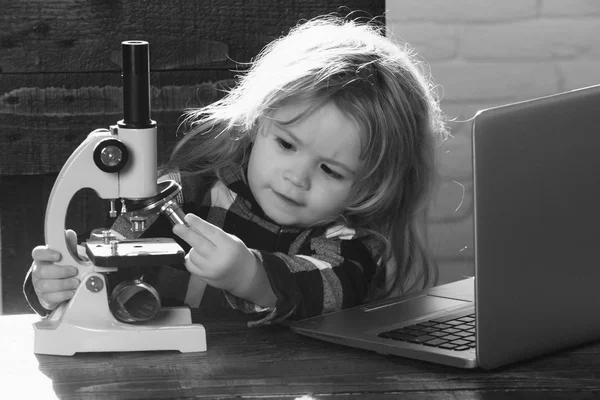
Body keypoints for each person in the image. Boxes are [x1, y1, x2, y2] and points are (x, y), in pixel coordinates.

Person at [24, 14, 448, 326]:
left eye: (331, 171)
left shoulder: (347, 244)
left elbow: (333, 288)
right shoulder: (188, 196)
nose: (296, 178)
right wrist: (60, 283)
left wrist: (252, 276)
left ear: (371, 185)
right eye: (286, 144)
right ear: (257, 123)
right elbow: (109, 264)